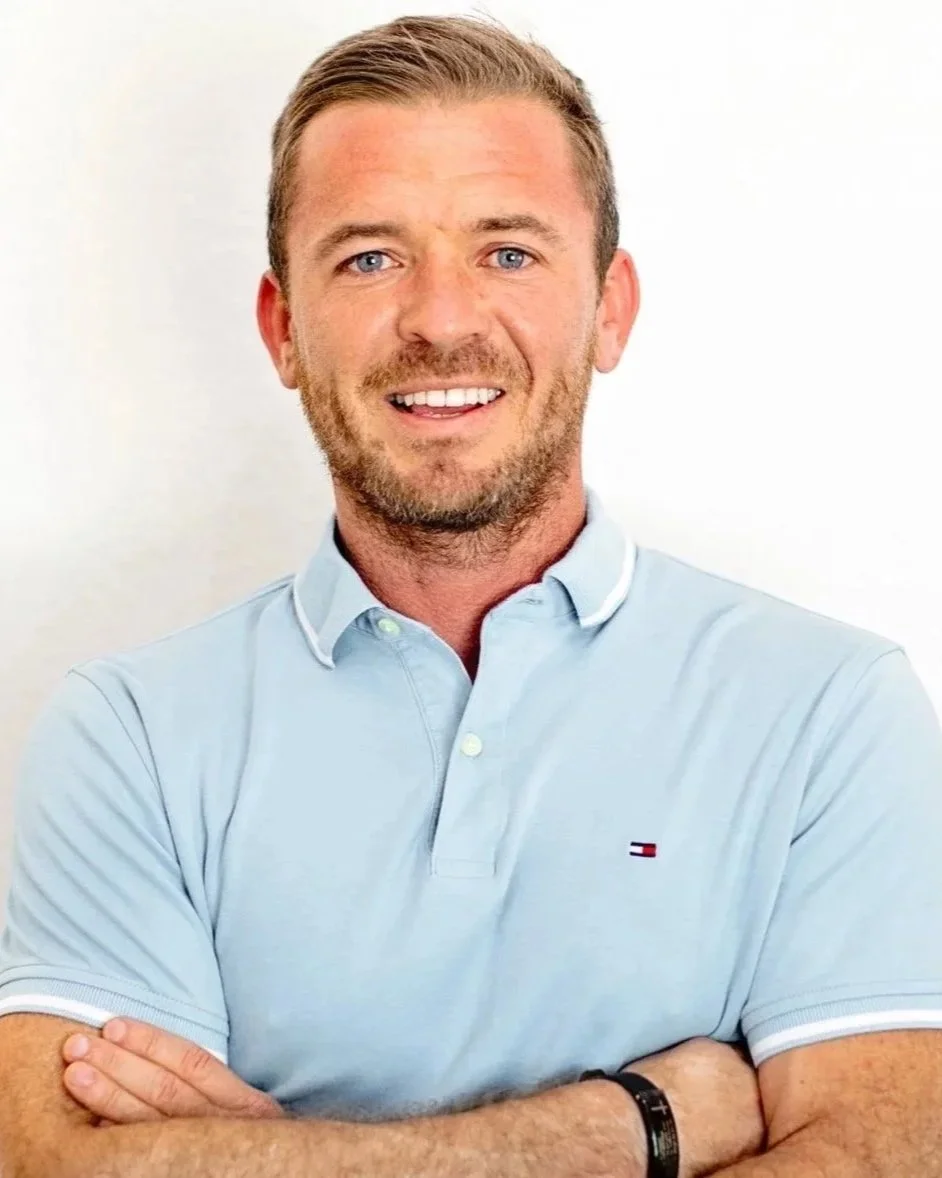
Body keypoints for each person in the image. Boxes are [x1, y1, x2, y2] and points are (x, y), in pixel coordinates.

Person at [2, 13, 942, 1178]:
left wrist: (264, 1157)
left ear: (612, 309)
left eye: (507, 252)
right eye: (369, 257)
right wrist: (637, 1124)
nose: (442, 319)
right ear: (284, 327)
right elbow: (56, 1163)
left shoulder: (831, 711)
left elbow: (874, 1157)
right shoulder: (129, 733)